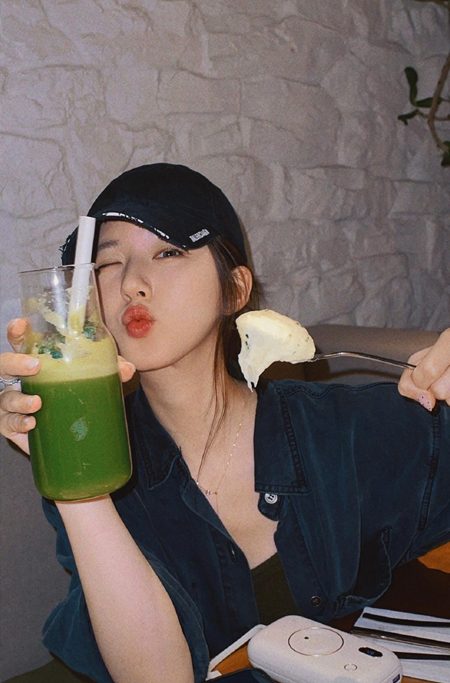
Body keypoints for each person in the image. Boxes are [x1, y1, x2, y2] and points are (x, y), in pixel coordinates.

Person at [1, 162, 450, 683]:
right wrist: (74, 472)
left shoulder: (344, 429)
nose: (131, 284)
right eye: (107, 263)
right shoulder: (97, 462)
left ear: (234, 290)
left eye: (168, 252)